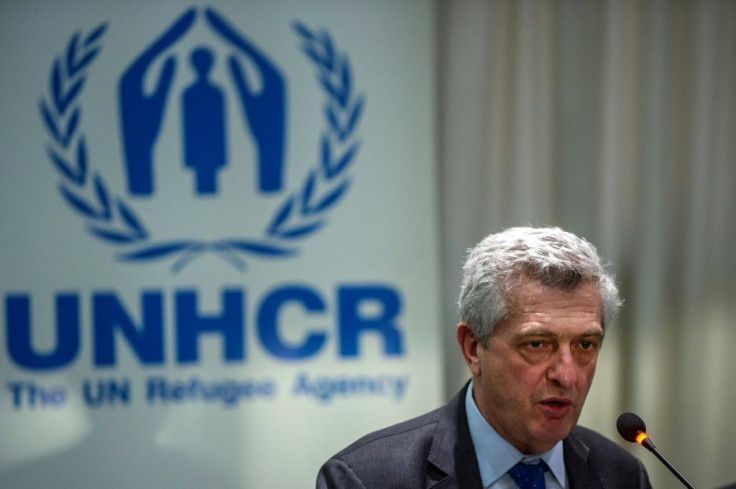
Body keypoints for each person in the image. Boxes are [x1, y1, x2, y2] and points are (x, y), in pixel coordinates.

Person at [316, 226, 652, 489]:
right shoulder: (365, 479)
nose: (567, 376)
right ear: (473, 348)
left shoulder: (621, 475)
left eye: (585, 345)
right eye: (537, 344)